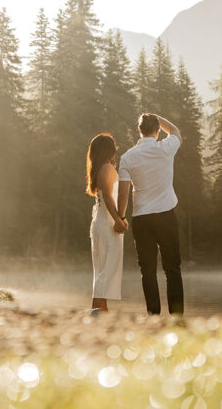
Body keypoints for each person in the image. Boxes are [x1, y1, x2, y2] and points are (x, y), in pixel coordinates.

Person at [117, 113, 183, 315]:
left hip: (142, 218)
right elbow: (176, 132)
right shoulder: (165, 148)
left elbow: (123, 193)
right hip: (165, 215)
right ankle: (177, 316)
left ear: (139, 130)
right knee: (172, 268)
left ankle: (153, 315)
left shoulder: (127, 157)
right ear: (157, 130)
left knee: (147, 270)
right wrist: (158, 117)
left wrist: (120, 217)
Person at [86, 132, 129, 312]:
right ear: (108, 151)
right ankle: (96, 310)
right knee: (108, 269)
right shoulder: (107, 168)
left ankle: (102, 310)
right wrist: (119, 220)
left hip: (100, 222)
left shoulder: (99, 169)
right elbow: (109, 199)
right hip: (107, 224)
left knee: (103, 268)